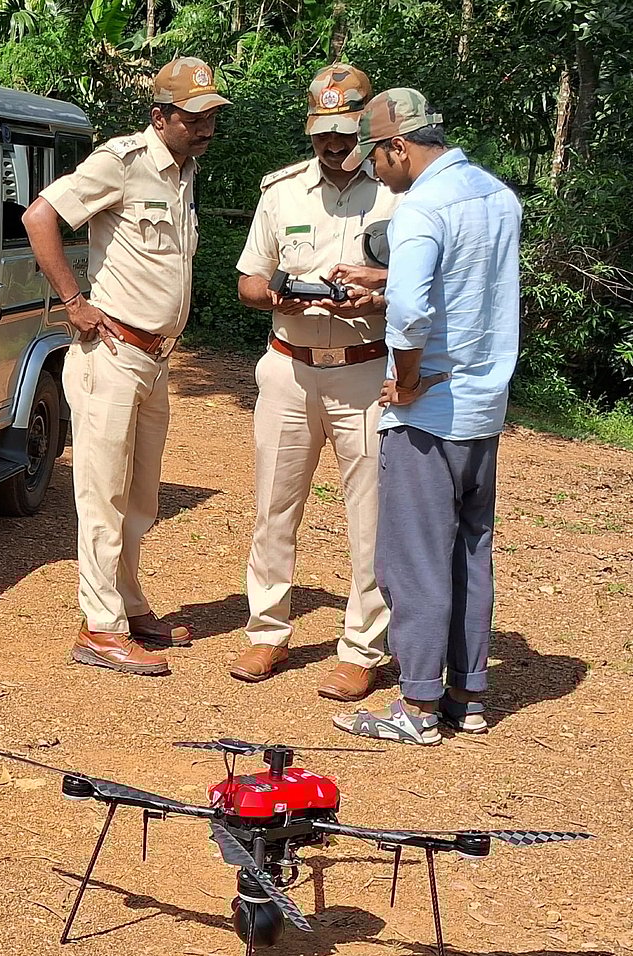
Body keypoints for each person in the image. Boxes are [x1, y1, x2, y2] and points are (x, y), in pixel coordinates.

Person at [23, 59, 230, 675]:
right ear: (160, 117)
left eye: (211, 117)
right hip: (111, 355)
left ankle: (129, 605)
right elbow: (39, 216)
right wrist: (74, 302)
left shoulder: (185, 171)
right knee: (102, 493)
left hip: (155, 359)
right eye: (194, 118)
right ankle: (100, 627)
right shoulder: (122, 161)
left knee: (139, 495)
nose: (205, 128)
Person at [331, 89, 522, 744]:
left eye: (374, 160)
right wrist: (384, 281)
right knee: (470, 551)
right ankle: (467, 696)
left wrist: (406, 383)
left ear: (397, 146)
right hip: (482, 408)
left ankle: (416, 706)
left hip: (430, 415)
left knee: (412, 560)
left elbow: (413, 316)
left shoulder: (420, 208)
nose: (373, 172)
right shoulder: (496, 195)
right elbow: (470, 285)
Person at [229, 64, 396, 703]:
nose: (331, 143)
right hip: (289, 369)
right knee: (274, 506)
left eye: (345, 132)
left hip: (366, 369)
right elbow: (249, 278)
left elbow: (425, 284)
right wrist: (275, 294)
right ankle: (267, 630)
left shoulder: (398, 193)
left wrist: (378, 296)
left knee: (370, 517)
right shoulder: (282, 193)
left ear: (366, 129)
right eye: (322, 131)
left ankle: (362, 649)